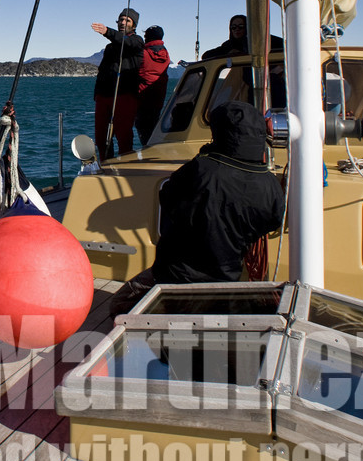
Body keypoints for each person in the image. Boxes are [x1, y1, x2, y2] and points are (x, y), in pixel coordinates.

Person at [111, 100, 286, 310]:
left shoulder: (200, 170)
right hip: (226, 277)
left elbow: (168, 199)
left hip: (177, 277)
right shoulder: (269, 184)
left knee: (119, 305)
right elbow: (273, 219)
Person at [90, 8, 144, 159]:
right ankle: (106, 165)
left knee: (123, 136)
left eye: (127, 20)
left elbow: (125, 42)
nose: (122, 22)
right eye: (121, 19)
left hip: (125, 96)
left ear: (134, 25)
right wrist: (97, 94)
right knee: (101, 137)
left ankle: (125, 168)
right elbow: (102, 70)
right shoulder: (109, 47)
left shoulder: (137, 41)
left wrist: (107, 31)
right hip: (104, 96)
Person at [135, 25, 171, 143]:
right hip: (159, 98)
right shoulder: (165, 53)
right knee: (154, 128)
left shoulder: (144, 53)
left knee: (144, 131)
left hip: (143, 99)